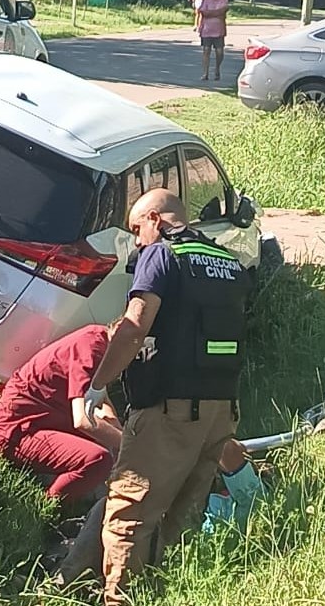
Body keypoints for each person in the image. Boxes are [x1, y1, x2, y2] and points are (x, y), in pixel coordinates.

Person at [82, 188, 254, 605]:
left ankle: (119, 599)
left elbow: (135, 326)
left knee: (127, 513)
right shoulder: (226, 261)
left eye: (137, 229)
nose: (137, 240)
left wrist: (100, 382)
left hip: (169, 410)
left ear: (156, 220)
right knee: (182, 514)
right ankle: (162, 593)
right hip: (220, 409)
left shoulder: (162, 254)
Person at [0, 323, 123, 503]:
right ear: (123, 329)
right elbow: (83, 421)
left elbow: (99, 397)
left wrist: (119, 433)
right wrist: (132, 447)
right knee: (98, 460)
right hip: (16, 432)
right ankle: (48, 506)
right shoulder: (93, 350)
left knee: (110, 444)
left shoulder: (99, 338)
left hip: (42, 421)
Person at [194, 0, 228, 81]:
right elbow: (203, 12)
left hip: (219, 31)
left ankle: (217, 68)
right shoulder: (205, 0)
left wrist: (211, 13)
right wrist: (217, 13)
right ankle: (205, 73)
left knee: (219, 52)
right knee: (206, 51)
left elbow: (224, 11)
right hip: (206, 30)